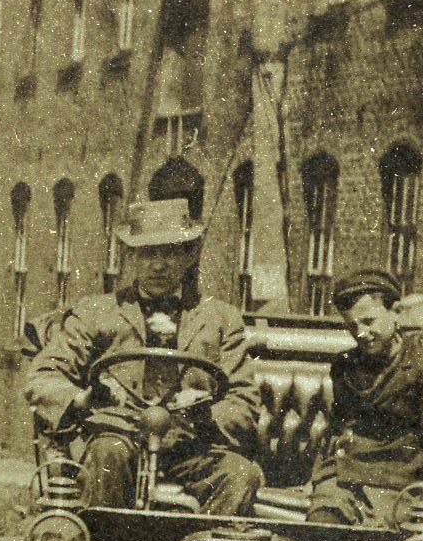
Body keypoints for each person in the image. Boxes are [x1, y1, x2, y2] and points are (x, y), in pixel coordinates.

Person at [23, 199, 265, 515]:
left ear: (189, 255)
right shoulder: (96, 313)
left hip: (192, 446)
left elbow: (243, 402)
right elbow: (44, 378)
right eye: (147, 253)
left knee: (240, 475)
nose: (158, 265)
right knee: (107, 455)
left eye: (169, 252)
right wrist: (84, 398)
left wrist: (205, 412)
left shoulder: (220, 319)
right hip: (118, 439)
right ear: (131, 257)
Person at [307, 268, 423, 527]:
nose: (361, 333)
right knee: (321, 527)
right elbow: (338, 430)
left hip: (397, 486)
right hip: (344, 481)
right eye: (352, 326)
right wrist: (321, 477)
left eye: (369, 321)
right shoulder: (344, 366)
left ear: (396, 313)